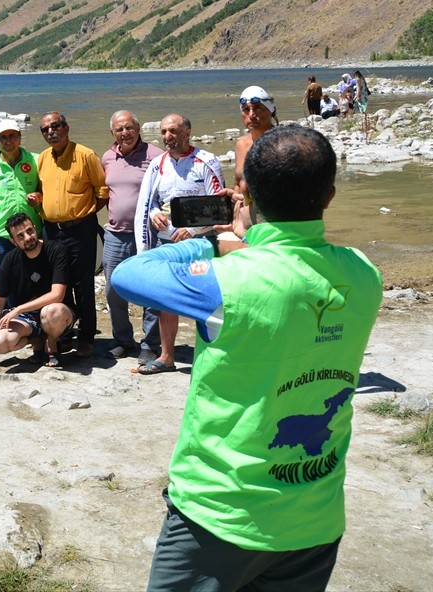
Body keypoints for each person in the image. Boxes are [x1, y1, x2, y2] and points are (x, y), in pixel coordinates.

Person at [112, 125, 381, 592]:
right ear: (331, 195)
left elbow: (130, 274)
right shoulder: (363, 272)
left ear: (246, 192)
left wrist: (215, 243)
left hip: (220, 514)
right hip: (314, 516)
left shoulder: (229, 280)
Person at [134, 114, 226, 376]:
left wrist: (192, 229)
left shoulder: (206, 161)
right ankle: (166, 356)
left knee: (207, 300)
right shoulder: (157, 164)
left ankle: (209, 357)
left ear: (187, 132)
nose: (167, 137)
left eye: (173, 131)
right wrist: (154, 215)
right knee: (166, 300)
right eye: (164, 132)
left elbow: (220, 209)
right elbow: (149, 203)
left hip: (200, 243)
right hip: (166, 245)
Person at [34, 110, 108, 358]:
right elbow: (43, 191)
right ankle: (63, 335)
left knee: (82, 284)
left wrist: (83, 215)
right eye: (45, 129)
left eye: (55, 126)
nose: (50, 132)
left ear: (66, 128)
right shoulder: (43, 158)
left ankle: (87, 336)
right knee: (57, 284)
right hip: (51, 231)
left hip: (81, 230)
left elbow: (102, 191)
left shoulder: (85, 155)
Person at [100, 111, 161, 360]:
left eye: (129, 127)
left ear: (138, 128)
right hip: (115, 234)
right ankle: (124, 341)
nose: (125, 133)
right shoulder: (107, 157)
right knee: (113, 290)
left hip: (149, 234)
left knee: (150, 289)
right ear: (113, 133)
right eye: (119, 129)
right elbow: (106, 193)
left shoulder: (155, 155)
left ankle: (150, 344)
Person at [0, 213, 74, 367]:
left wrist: (18, 309)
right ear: (13, 241)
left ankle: (51, 343)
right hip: (29, 316)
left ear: (35, 229)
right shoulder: (10, 260)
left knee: (52, 311)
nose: (27, 238)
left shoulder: (56, 250)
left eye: (29, 231)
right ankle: (37, 341)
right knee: (0, 343)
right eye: (20, 236)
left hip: (59, 312)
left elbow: (57, 295)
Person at [0, 119, 41, 264]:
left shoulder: (36, 160)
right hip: (2, 235)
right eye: (3, 137)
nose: (8, 141)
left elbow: (44, 192)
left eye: (12, 136)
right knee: (10, 279)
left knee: (37, 276)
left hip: (31, 232)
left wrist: (38, 197)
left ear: (20, 137)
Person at [233, 86, 278, 197]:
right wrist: (235, 195)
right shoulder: (241, 145)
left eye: (258, 109)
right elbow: (238, 182)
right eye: (246, 109)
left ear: (271, 111)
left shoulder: (281, 143)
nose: (251, 115)